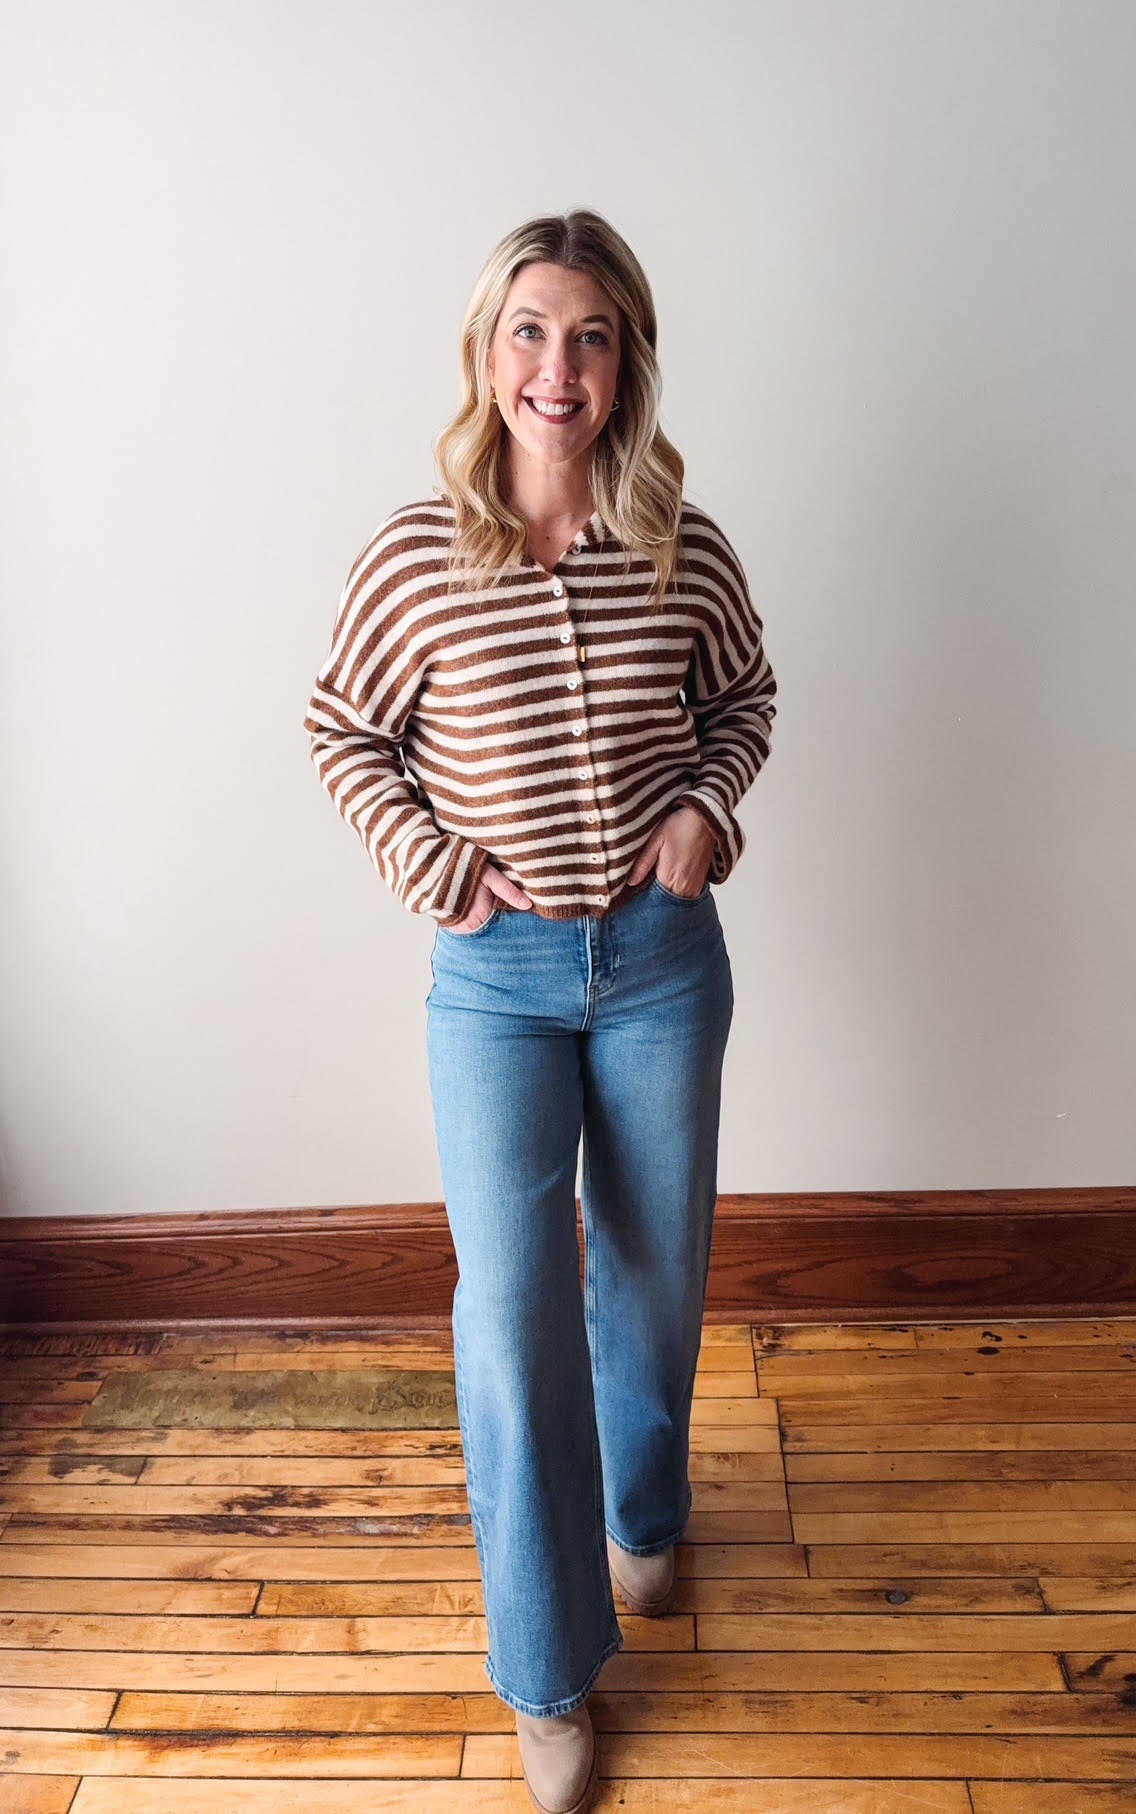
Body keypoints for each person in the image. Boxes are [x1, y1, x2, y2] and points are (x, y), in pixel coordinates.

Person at [304, 208, 776, 1814]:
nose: (553, 368)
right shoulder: (416, 553)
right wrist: (428, 860)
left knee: (652, 1278)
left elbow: (745, 700)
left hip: (657, 963)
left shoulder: (677, 542)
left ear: (626, 356)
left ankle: (644, 1515)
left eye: (586, 336)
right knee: (509, 1315)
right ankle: (546, 1667)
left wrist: (710, 810)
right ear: (484, 351)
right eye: (526, 331)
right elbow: (340, 728)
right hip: (495, 985)